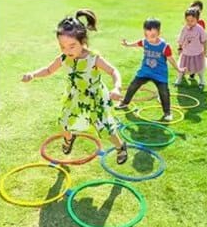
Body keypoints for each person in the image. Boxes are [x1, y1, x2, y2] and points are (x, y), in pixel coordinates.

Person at [21, 9, 129, 163]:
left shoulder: (93, 58)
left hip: (95, 98)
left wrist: (117, 87)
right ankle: (69, 139)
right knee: (64, 123)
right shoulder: (64, 58)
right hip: (75, 97)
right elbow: (48, 69)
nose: (67, 51)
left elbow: (113, 71)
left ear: (83, 41)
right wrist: (32, 74)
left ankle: (120, 147)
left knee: (105, 128)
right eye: (62, 46)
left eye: (72, 46)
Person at [117, 18, 182, 122]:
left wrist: (178, 69)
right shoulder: (145, 41)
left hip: (159, 74)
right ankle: (124, 102)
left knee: (164, 92)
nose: (149, 38)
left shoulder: (164, 46)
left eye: (152, 36)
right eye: (146, 35)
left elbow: (171, 59)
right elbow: (138, 43)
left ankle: (167, 113)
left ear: (159, 33)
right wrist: (127, 44)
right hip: (145, 71)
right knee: (133, 85)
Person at [176, 5, 207, 88]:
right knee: (182, 66)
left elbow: (204, 40)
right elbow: (181, 39)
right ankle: (179, 79)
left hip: (197, 53)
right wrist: (179, 48)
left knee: (199, 68)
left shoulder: (200, 29)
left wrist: (205, 51)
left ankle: (202, 80)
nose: (190, 22)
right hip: (186, 53)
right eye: (187, 20)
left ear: (197, 20)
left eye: (192, 21)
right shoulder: (184, 29)